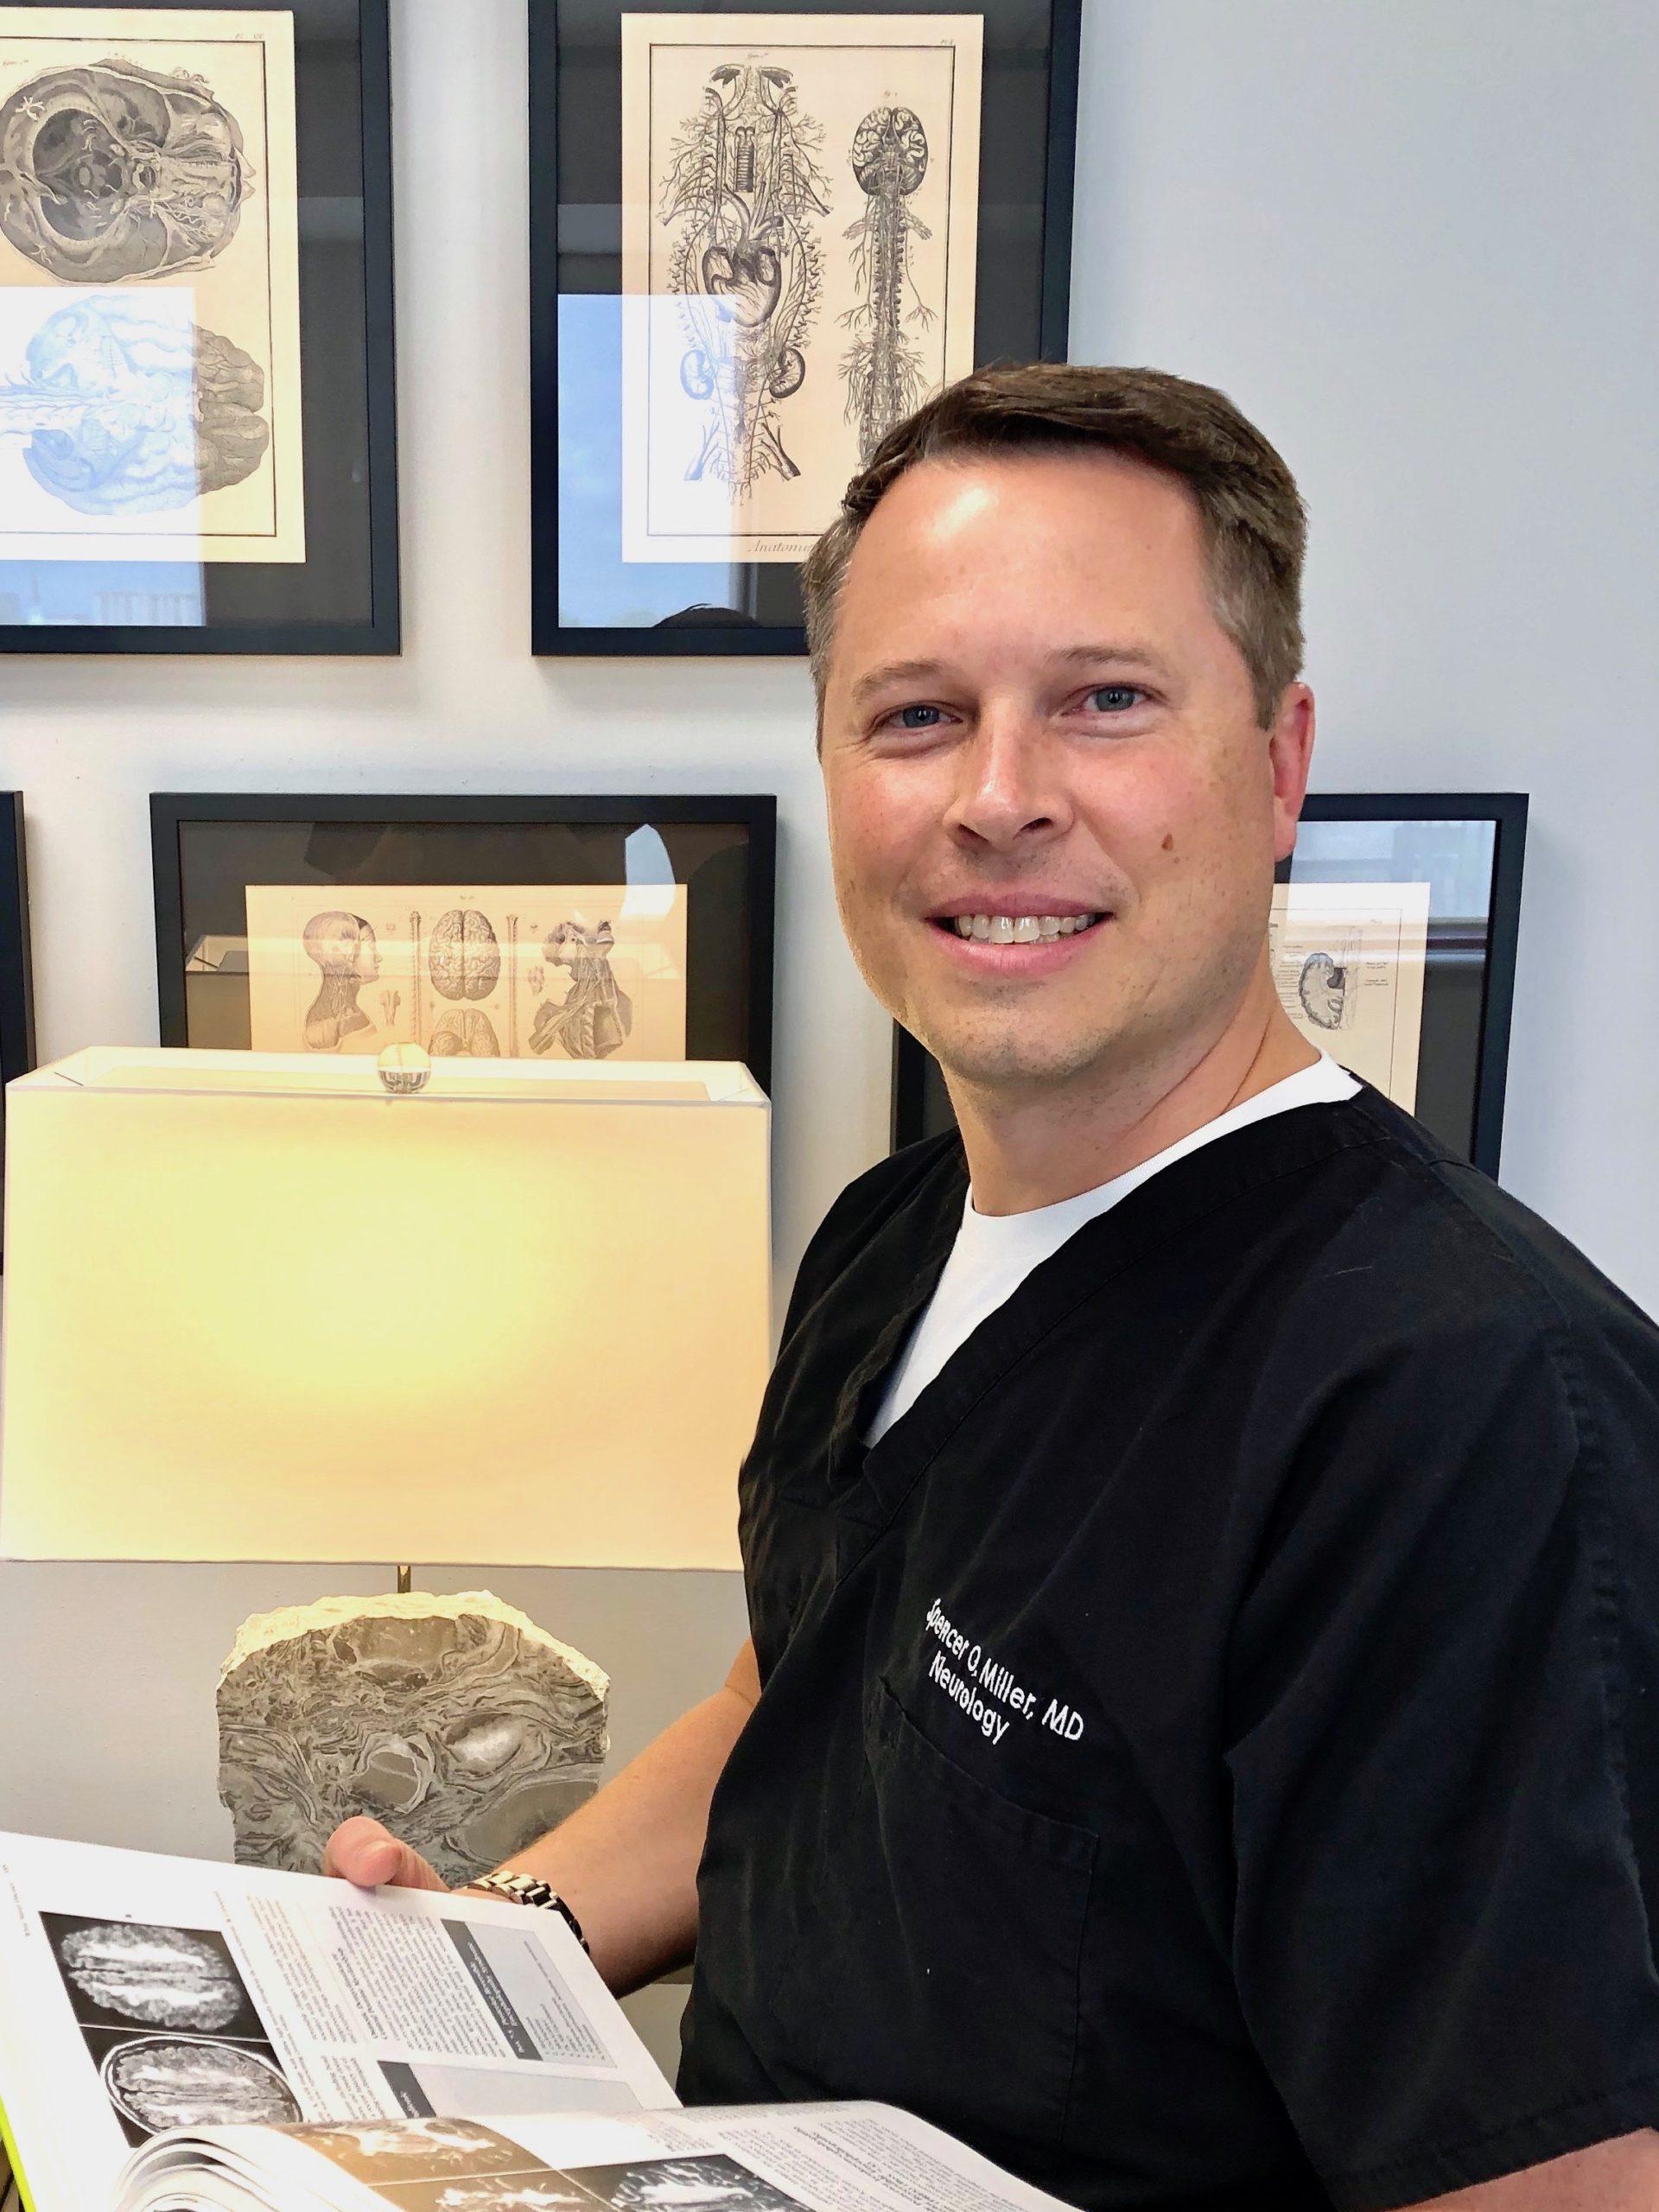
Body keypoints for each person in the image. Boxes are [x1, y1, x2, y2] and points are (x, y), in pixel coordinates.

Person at [326, 365, 1659, 2210]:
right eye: (918, 715)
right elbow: (792, 1711)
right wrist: (483, 1950)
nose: (1000, 798)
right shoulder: (891, 1236)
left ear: (1278, 763)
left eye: (1105, 700)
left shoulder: (1461, 1410)